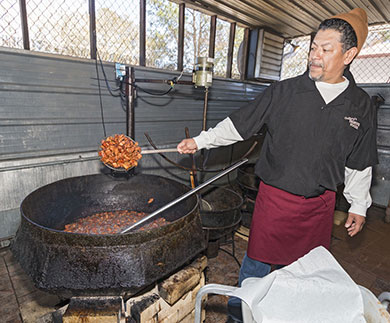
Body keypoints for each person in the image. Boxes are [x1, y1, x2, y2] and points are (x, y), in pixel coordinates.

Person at [177, 7, 377, 321]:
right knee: (255, 268)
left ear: (349, 55)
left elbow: (359, 160)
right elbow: (241, 124)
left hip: (319, 208)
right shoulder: (284, 92)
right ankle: (238, 317)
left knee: (304, 274)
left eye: (326, 49)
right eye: (313, 47)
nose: (315, 55)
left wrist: (359, 206)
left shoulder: (360, 105)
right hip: (275, 203)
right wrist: (201, 141)